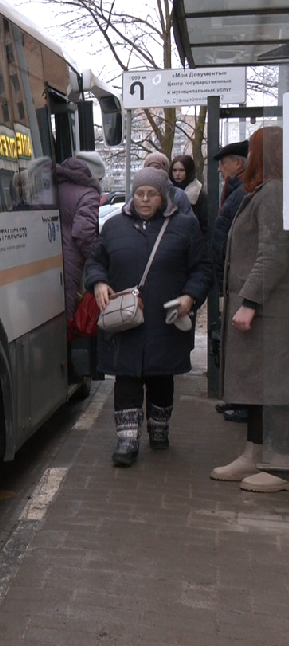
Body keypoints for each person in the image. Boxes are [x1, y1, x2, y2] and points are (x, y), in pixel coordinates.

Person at [85, 167, 212, 466]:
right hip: (125, 319)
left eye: (151, 194)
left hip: (164, 317)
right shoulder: (114, 226)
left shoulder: (184, 227)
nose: (144, 199)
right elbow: (95, 261)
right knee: (126, 378)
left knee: (160, 377)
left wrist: (190, 296)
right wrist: (99, 282)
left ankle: (159, 429)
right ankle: (127, 441)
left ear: (163, 197)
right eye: (139, 193)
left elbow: (202, 268)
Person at [210, 127, 289, 492]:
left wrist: (251, 301)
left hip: (268, 311)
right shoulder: (266, 191)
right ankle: (254, 453)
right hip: (261, 309)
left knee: (272, 389)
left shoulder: (273, 192)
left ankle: (278, 465)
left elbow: (274, 252)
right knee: (258, 389)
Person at [207, 140, 249, 422]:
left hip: (239, 277)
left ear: (238, 163)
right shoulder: (236, 189)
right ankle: (238, 399)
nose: (221, 170)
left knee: (243, 346)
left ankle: (244, 403)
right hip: (232, 276)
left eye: (224, 164)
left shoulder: (243, 190)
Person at [54, 156, 100, 321]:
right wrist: (94, 257)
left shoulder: (49, 189)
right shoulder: (88, 193)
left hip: (41, 255)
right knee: (67, 309)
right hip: (70, 257)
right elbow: (83, 231)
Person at [142, 152, 193, 216]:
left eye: (157, 167)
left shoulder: (178, 195)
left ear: (165, 170)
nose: (153, 171)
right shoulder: (137, 195)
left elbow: (190, 222)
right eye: (150, 168)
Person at [170, 154, 208, 233]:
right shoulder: (166, 192)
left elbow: (205, 225)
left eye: (181, 170)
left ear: (188, 171)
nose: (177, 174)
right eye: (174, 170)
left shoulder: (199, 195)